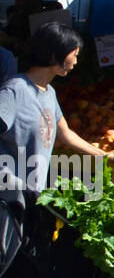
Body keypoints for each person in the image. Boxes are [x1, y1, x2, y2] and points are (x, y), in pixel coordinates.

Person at [0, 23, 107, 207]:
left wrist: (104, 155)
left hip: (31, 195)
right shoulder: (14, 90)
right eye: (74, 55)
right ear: (53, 55)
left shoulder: (48, 92)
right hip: (7, 200)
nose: (75, 61)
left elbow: (65, 134)